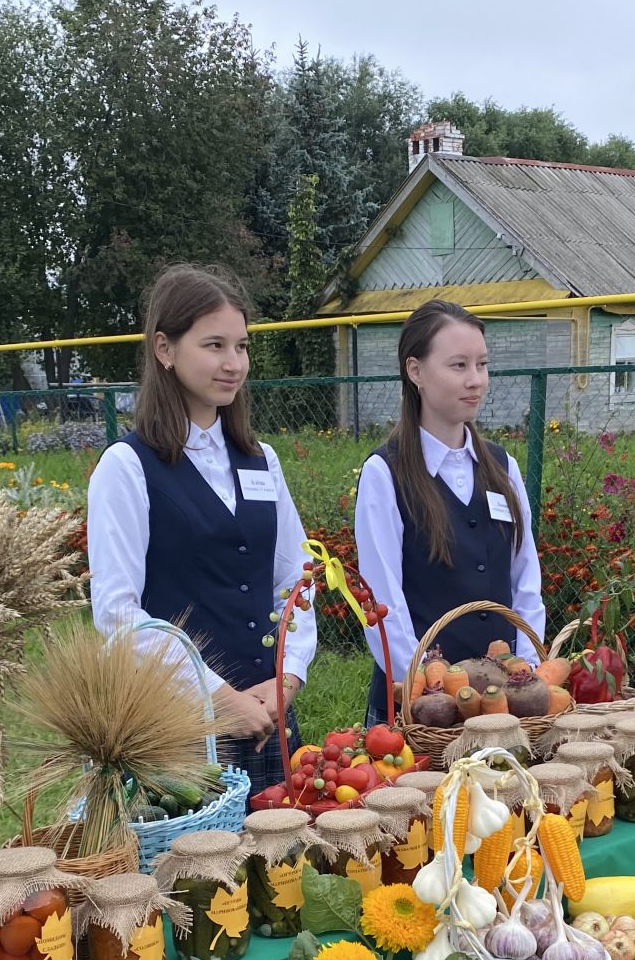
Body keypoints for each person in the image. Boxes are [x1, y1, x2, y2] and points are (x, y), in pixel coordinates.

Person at [87, 264, 313, 789]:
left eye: (241, 346)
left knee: (284, 866)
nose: (233, 363)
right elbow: (119, 615)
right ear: (165, 349)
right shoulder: (126, 467)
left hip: (269, 714)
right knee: (195, 869)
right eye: (214, 345)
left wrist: (288, 677)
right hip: (179, 726)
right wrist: (218, 696)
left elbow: (297, 577)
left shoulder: (263, 461)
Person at [354, 300, 545, 725]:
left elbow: (525, 576)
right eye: (458, 365)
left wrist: (526, 668)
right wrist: (426, 687)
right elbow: (381, 601)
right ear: (415, 371)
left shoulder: (502, 466)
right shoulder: (385, 473)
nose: (475, 380)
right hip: (423, 709)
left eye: (482, 364)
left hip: (501, 700)